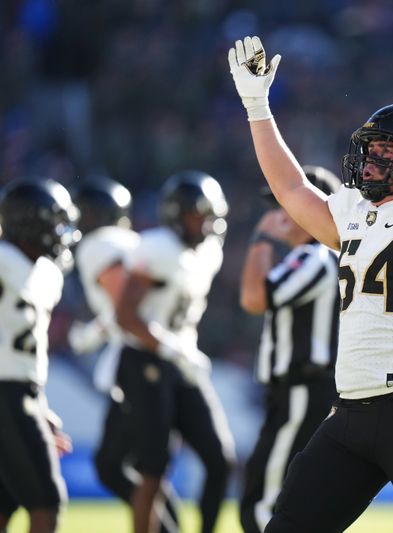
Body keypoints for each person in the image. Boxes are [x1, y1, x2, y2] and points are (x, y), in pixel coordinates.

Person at [228, 35, 393, 532]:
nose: (370, 159)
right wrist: (256, 105)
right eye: (369, 148)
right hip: (349, 411)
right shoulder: (355, 213)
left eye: (386, 150)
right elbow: (291, 189)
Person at [114, 171, 236, 533]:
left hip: (181, 360)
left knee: (220, 460)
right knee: (153, 467)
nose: (206, 224)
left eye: (211, 215)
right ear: (176, 214)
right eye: (198, 215)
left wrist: (181, 351)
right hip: (145, 359)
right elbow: (126, 315)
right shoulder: (158, 247)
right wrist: (170, 346)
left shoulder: (209, 251)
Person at [69, 176, 181, 533]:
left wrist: (94, 332)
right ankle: (168, 527)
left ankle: (165, 529)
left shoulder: (101, 244)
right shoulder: (134, 242)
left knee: (127, 465)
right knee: (128, 464)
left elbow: (124, 306)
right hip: (154, 354)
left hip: (141, 358)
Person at [238, 165, 342, 533]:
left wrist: (261, 239)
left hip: (302, 387)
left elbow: (252, 298)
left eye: (287, 203)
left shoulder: (315, 256)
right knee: (286, 496)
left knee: (264, 501)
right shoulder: (315, 257)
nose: (279, 214)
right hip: (302, 389)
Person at [0, 178, 79, 533]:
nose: (61, 231)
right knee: (46, 500)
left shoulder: (44, 273)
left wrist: (38, 405)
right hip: (8, 393)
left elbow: (27, 351)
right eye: (54, 221)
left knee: (6, 500)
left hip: (21, 391)